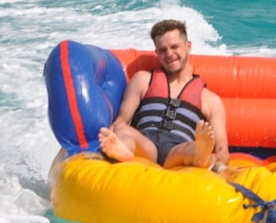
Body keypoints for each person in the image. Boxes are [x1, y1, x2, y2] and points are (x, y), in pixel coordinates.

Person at [98, 20, 230, 170]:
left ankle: (199, 155)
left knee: (191, 148)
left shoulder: (210, 100)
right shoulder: (143, 80)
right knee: (123, 131)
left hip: (177, 148)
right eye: (162, 50)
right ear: (157, 53)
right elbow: (121, 121)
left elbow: (222, 150)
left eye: (174, 47)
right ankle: (123, 151)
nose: (169, 54)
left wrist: (218, 164)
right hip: (146, 144)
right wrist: (112, 134)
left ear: (188, 46)